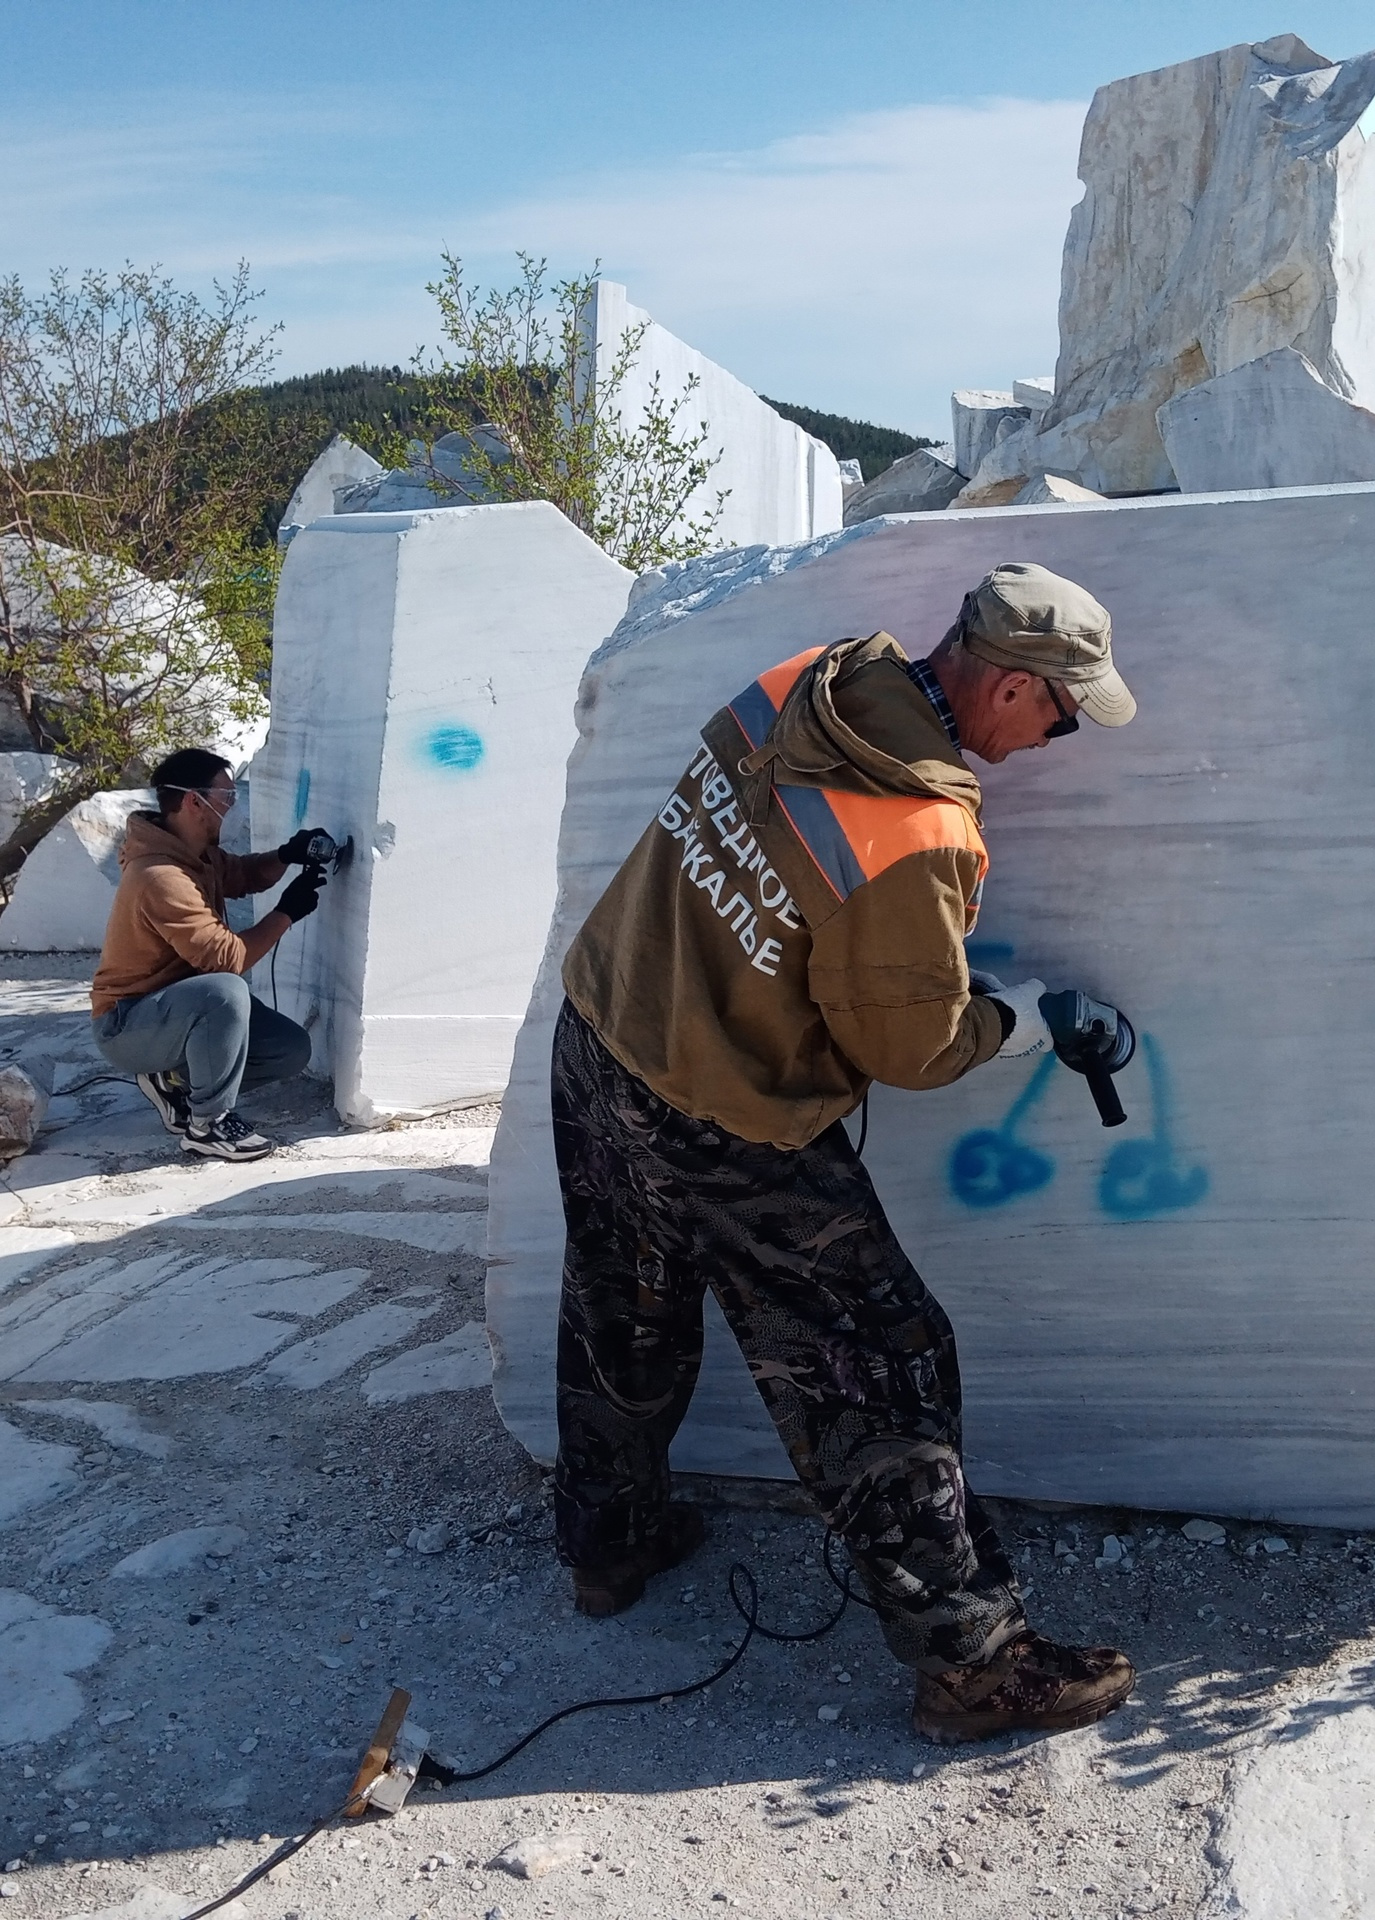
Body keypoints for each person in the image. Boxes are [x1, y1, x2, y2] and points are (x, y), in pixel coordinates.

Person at [552, 561, 1141, 1745]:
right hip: (725, 1113)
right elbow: (913, 1049)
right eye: (1062, 711)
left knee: (628, 1302)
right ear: (1013, 686)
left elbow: (775, 892)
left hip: (605, 1034)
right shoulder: (918, 831)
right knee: (883, 1362)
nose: (1057, 738)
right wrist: (1029, 1019)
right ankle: (973, 1667)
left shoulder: (800, 688)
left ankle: (607, 1544)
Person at [90, 746, 332, 1162]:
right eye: (227, 797)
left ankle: (174, 1081)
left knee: (289, 1049)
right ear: (193, 800)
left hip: (174, 1010)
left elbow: (243, 873)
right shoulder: (162, 876)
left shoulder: (195, 855)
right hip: (128, 1022)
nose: (232, 805)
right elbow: (227, 958)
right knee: (226, 990)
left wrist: (288, 854)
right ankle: (208, 1124)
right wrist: (286, 913)